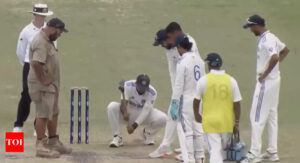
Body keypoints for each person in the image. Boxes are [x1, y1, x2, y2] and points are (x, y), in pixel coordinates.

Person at [241, 14, 289, 163]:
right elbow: (285, 50)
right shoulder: (271, 37)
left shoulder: (266, 39)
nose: (250, 30)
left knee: (256, 117)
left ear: (258, 25)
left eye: (251, 27)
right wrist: (274, 69)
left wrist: (265, 73)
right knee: (271, 116)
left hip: (266, 83)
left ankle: (254, 154)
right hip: (275, 81)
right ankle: (272, 152)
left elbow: (275, 57)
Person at [28, 18, 71, 158]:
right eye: (59, 32)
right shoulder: (40, 42)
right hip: (42, 86)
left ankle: (53, 141)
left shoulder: (48, 41)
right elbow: (36, 63)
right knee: (43, 114)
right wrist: (44, 80)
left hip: (50, 86)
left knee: (53, 112)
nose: (60, 35)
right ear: (52, 29)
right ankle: (40, 145)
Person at [193, 53, 242, 163]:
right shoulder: (231, 80)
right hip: (227, 123)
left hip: (210, 123)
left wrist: (197, 115)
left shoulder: (203, 80)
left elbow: (196, 100)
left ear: (209, 65)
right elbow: (237, 103)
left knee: (215, 151)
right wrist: (237, 123)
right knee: (221, 152)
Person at [13, 3, 53, 133]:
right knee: (26, 93)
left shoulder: (49, 30)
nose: (42, 18)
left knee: (43, 95)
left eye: (44, 16)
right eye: (40, 16)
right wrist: (26, 64)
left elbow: (53, 50)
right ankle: (18, 125)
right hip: (29, 65)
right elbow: (20, 50)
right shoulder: (26, 31)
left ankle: (39, 126)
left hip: (45, 66)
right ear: (35, 15)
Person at [170, 34, 206, 163]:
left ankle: (190, 159)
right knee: (198, 129)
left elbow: (178, 84)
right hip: (199, 99)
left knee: (188, 132)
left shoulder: (182, 61)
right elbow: (204, 80)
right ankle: (200, 158)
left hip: (186, 99)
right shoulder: (199, 60)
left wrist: (175, 103)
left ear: (180, 47)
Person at [107, 74, 167, 147]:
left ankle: (148, 133)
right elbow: (123, 104)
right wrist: (125, 112)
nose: (142, 90)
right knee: (111, 107)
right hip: (128, 111)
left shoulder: (152, 92)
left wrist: (133, 127)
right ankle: (117, 137)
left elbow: (146, 111)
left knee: (164, 118)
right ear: (136, 84)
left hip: (143, 115)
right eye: (140, 87)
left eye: (144, 88)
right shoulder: (128, 85)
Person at [149, 29, 182, 158]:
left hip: (188, 91)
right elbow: (172, 73)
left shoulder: (185, 47)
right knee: (173, 116)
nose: (161, 46)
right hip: (178, 92)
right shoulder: (169, 51)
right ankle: (166, 145)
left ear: (168, 39)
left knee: (184, 119)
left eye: (162, 43)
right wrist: (176, 92)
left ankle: (190, 149)